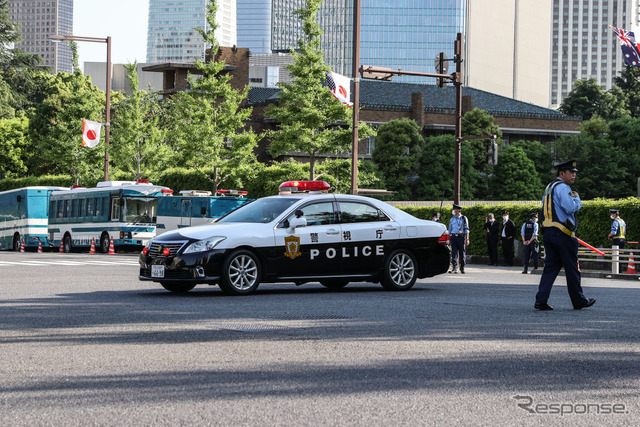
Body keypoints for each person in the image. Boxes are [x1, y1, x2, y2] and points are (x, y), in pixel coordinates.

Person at [535, 160, 596, 311]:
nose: (574, 175)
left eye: (575, 173)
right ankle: (579, 300)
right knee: (572, 268)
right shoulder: (563, 188)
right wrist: (577, 199)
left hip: (548, 232)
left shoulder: (549, 187)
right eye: (571, 172)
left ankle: (541, 300)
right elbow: (569, 207)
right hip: (563, 233)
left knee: (550, 268)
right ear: (561, 173)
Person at [448, 203, 469, 274]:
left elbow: (466, 229)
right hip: (453, 237)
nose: (454, 211)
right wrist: (449, 239)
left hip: (461, 237)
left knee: (462, 253)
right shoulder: (452, 219)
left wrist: (467, 239)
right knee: (454, 253)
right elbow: (450, 230)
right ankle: (454, 267)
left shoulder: (464, 218)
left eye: (455, 209)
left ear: (458, 210)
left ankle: (462, 267)